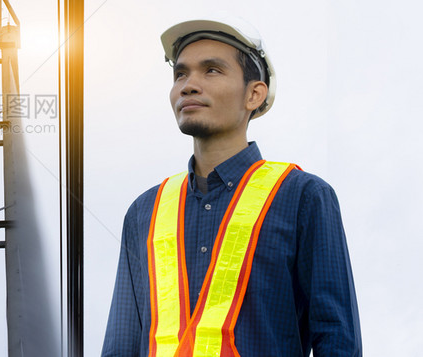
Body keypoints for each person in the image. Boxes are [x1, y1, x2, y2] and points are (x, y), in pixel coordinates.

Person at [101, 18, 361, 356]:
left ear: (254, 94)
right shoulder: (144, 211)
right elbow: (121, 345)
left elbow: (337, 338)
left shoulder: (302, 196)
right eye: (181, 74)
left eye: (211, 71)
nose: (188, 85)